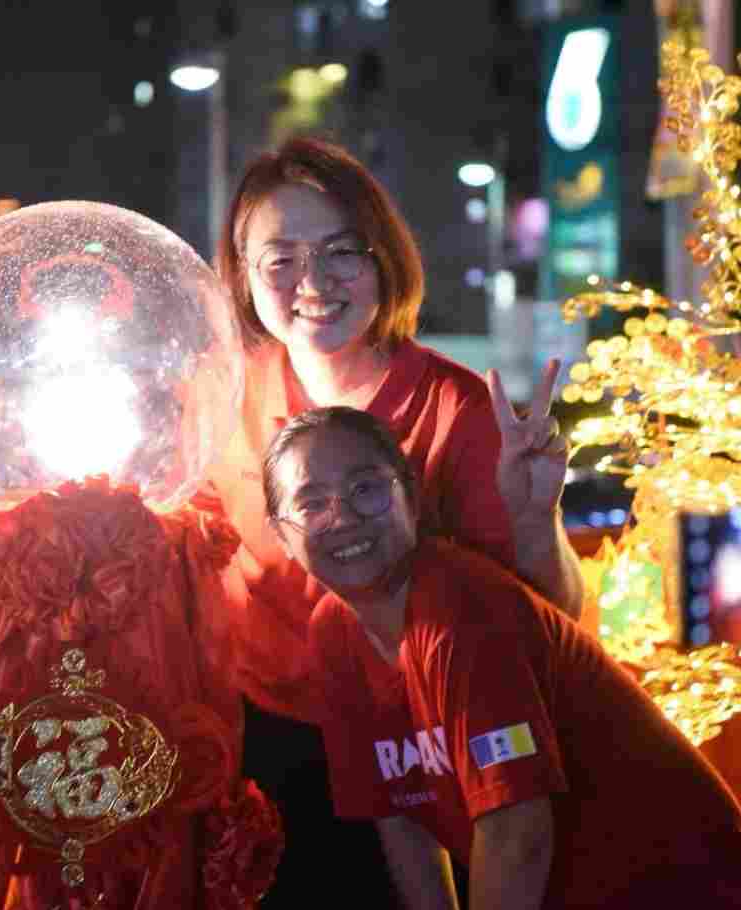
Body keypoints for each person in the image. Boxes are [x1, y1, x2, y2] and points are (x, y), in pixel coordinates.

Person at [197, 135, 582, 904]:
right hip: (264, 746)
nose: (313, 282)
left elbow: (547, 623)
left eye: (343, 251)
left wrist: (538, 517)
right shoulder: (214, 403)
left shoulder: (460, 409)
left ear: (384, 259)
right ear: (243, 276)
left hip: (428, 761)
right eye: (281, 259)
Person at [261, 405, 741, 909]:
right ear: (282, 535)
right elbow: (402, 822)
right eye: (311, 504)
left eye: (366, 489)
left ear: (412, 498)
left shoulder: (460, 612)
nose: (344, 517)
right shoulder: (333, 633)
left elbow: (517, 832)